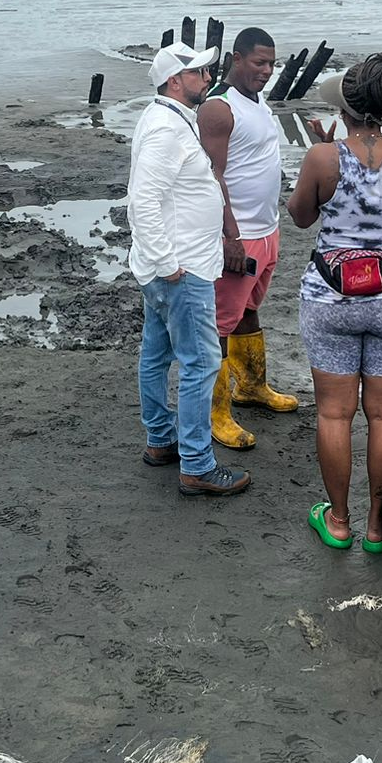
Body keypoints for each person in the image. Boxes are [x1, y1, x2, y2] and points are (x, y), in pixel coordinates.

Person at [288, 54, 382, 551]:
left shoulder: (323, 157)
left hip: (331, 295)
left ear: (345, 109)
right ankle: (378, 525)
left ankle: (337, 519)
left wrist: (323, 153)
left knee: (334, 414)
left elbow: (301, 217)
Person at [127, 41, 251, 498]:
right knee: (202, 362)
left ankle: (162, 440)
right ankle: (196, 464)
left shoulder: (168, 119)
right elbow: (143, 199)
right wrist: (168, 263)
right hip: (182, 267)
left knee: (157, 354)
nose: (207, 77)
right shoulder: (166, 128)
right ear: (175, 81)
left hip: (172, 263)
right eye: (199, 71)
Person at [198, 26, 296, 450]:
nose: (267, 71)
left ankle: (252, 386)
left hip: (267, 228)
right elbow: (209, 177)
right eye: (259, 63)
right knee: (220, 322)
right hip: (238, 234)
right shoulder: (219, 108)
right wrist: (229, 237)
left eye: (272, 64)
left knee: (249, 311)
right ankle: (216, 412)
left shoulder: (260, 102)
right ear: (236, 58)